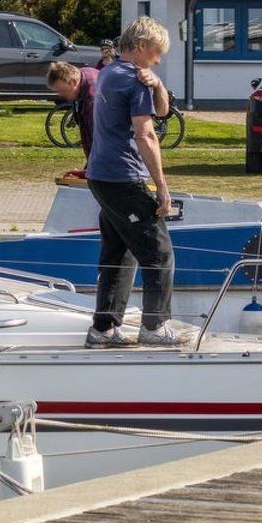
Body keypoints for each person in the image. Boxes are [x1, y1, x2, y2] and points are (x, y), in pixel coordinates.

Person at [84, 18, 193, 348]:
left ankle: (103, 329)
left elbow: (162, 112)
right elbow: (146, 134)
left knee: (120, 251)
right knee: (159, 253)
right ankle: (155, 327)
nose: (159, 60)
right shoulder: (132, 80)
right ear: (143, 46)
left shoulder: (109, 72)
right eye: (157, 53)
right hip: (123, 176)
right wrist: (161, 186)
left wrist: (157, 84)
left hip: (101, 176)